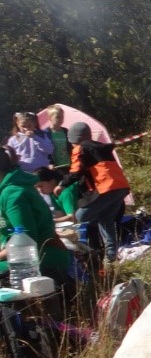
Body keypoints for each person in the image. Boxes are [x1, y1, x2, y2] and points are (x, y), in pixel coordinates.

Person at [55, 122, 131, 266]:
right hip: (121, 188)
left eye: (72, 143)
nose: (72, 146)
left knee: (81, 215)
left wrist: (62, 185)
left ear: (76, 139)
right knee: (106, 220)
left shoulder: (80, 148)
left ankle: (92, 250)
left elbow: (76, 171)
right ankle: (110, 258)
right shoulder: (102, 148)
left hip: (106, 188)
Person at [0, 153, 73, 288]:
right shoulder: (7, 191)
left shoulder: (12, 194)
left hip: (44, 258)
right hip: (22, 257)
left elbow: (26, 238)